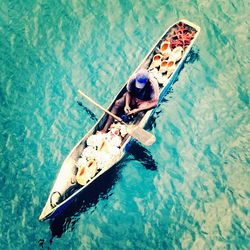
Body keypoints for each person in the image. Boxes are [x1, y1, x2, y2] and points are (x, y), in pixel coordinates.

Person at [101, 68, 159, 133]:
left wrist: (138, 110)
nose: (139, 88)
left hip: (145, 101)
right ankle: (105, 129)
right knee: (117, 103)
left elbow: (155, 103)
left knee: (141, 112)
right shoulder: (132, 79)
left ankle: (135, 118)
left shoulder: (153, 84)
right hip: (134, 97)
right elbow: (128, 92)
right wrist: (127, 105)